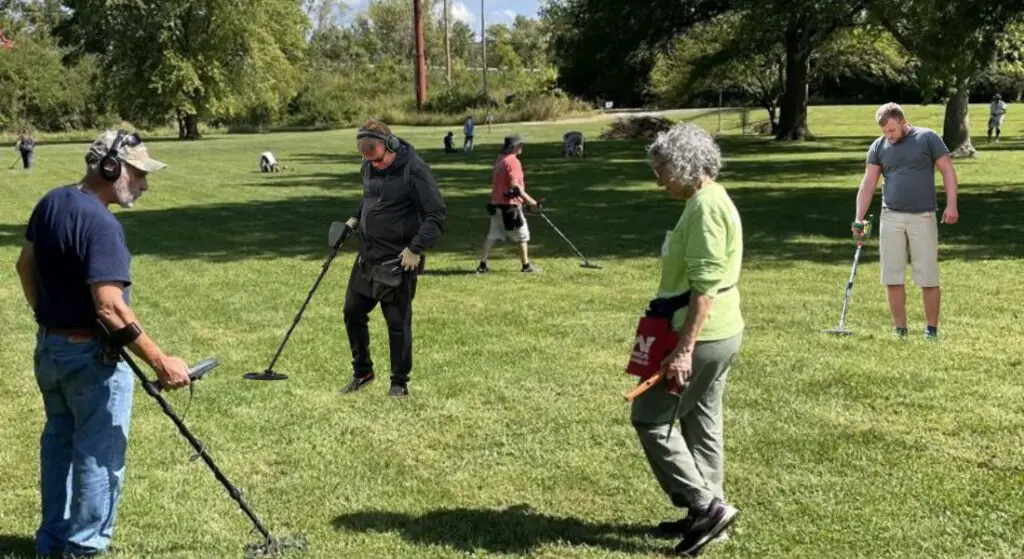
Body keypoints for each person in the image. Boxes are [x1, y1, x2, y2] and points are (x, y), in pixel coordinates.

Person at [15, 129, 192, 558]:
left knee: (59, 444)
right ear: (110, 168)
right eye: (138, 173)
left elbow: (24, 266)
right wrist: (160, 361)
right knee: (98, 455)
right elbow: (111, 308)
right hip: (91, 360)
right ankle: (85, 550)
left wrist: (49, 320)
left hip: (51, 351)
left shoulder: (52, 201)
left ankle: (51, 543)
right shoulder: (102, 225)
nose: (144, 185)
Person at [630, 123, 744, 557]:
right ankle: (709, 516)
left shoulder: (706, 208)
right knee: (701, 422)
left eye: (661, 168)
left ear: (684, 165)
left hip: (704, 334)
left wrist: (683, 350)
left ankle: (705, 506)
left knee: (651, 419)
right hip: (720, 331)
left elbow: (704, 288)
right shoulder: (705, 200)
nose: (657, 177)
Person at [339, 119, 446, 398]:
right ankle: (363, 372)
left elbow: (436, 214)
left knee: (397, 325)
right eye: (362, 150)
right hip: (368, 258)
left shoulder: (415, 170)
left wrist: (416, 249)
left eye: (371, 150)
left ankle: (399, 383)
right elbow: (369, 199)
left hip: (398, 261)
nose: (367, 157)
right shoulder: (370, 167)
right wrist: (353, 220)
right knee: (352, 313)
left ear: (390, 145)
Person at [854, 102, 959, 340]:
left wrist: (951, 205)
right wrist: (859, 218)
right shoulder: (879, 146)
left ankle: (931, 329)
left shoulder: (927, 138)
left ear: (903, 121)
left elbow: (947, 171)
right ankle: (900, 330)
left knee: (928, 275)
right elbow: (868, 183)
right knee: (892, 275)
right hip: (890, 216)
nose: (888, 136)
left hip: (923, 216)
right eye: (884, 132)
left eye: (891, 130)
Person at [475, 134, 541, 274]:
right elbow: (515, 186)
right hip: (510, 206)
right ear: (515, 147)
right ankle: (526, 266)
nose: (521, 148)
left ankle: (482, 265)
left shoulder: (500, 160)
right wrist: (531, 201)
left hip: (496, 203)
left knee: (492, 235)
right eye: (520, 145)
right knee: (522, 235)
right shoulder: (513, 161)